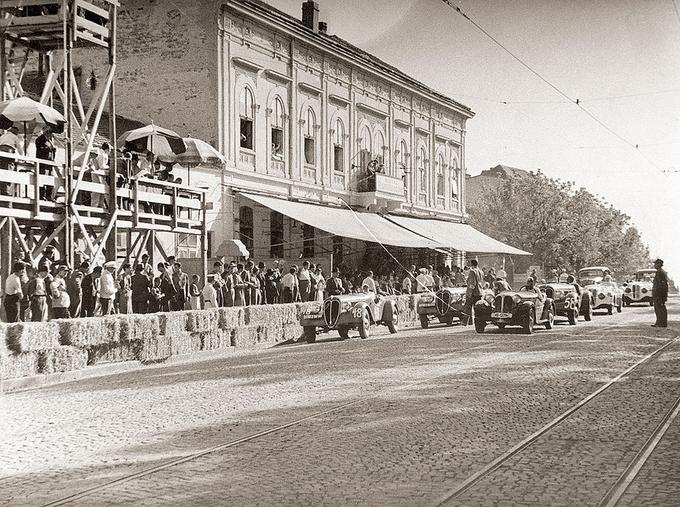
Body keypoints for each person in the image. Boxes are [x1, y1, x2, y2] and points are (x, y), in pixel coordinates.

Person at [0, 126, 24, 195]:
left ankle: (2, 190)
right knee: (8, 171)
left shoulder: (2, 136)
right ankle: (6, 191)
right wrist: (22, 158)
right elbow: (19, 149)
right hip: (8, 154)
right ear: (15, 132)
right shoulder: (14, 137)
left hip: (0, 154)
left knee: (1, 171)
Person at [35, 126, 57, 201]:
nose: (51, 134)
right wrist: (49, 149)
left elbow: (53, 150)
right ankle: (41, 195)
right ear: (46, 132)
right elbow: (40, 149)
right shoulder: (39, 139)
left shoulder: (50, 140)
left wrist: (53, 150)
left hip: (49, 163)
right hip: (43, 163)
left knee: (50, 179)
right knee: (42, 179)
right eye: (50, 132)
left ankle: (49, 196)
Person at [462, 259, 485, 325]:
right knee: (477, 308)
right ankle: (477, 322)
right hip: (479, 292)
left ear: (472, 264)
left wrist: (469, 293)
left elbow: (472, 283)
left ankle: (465, 322)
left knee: (468, 307)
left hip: (473, 292)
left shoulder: (472, 271)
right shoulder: (481, 271)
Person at [652, 258, 668, 328]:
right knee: (660, 308)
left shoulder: (660, 272)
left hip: (659, 294)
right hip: (660, 294)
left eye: (655, 264)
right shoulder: (661, 272)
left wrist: (661, 295)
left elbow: (661, 285)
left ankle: (661, 323)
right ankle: (660, 322)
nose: (654, 265)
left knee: (659, 308)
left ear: (659, 264)